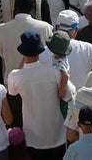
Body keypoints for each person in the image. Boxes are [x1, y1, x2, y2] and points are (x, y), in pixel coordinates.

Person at [8, 30, 69, 160]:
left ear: (23, 51)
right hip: (57, 134)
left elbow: (12, 93)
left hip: (32, 137)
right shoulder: (54, 72)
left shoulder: (15, 76)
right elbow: (68, 95)